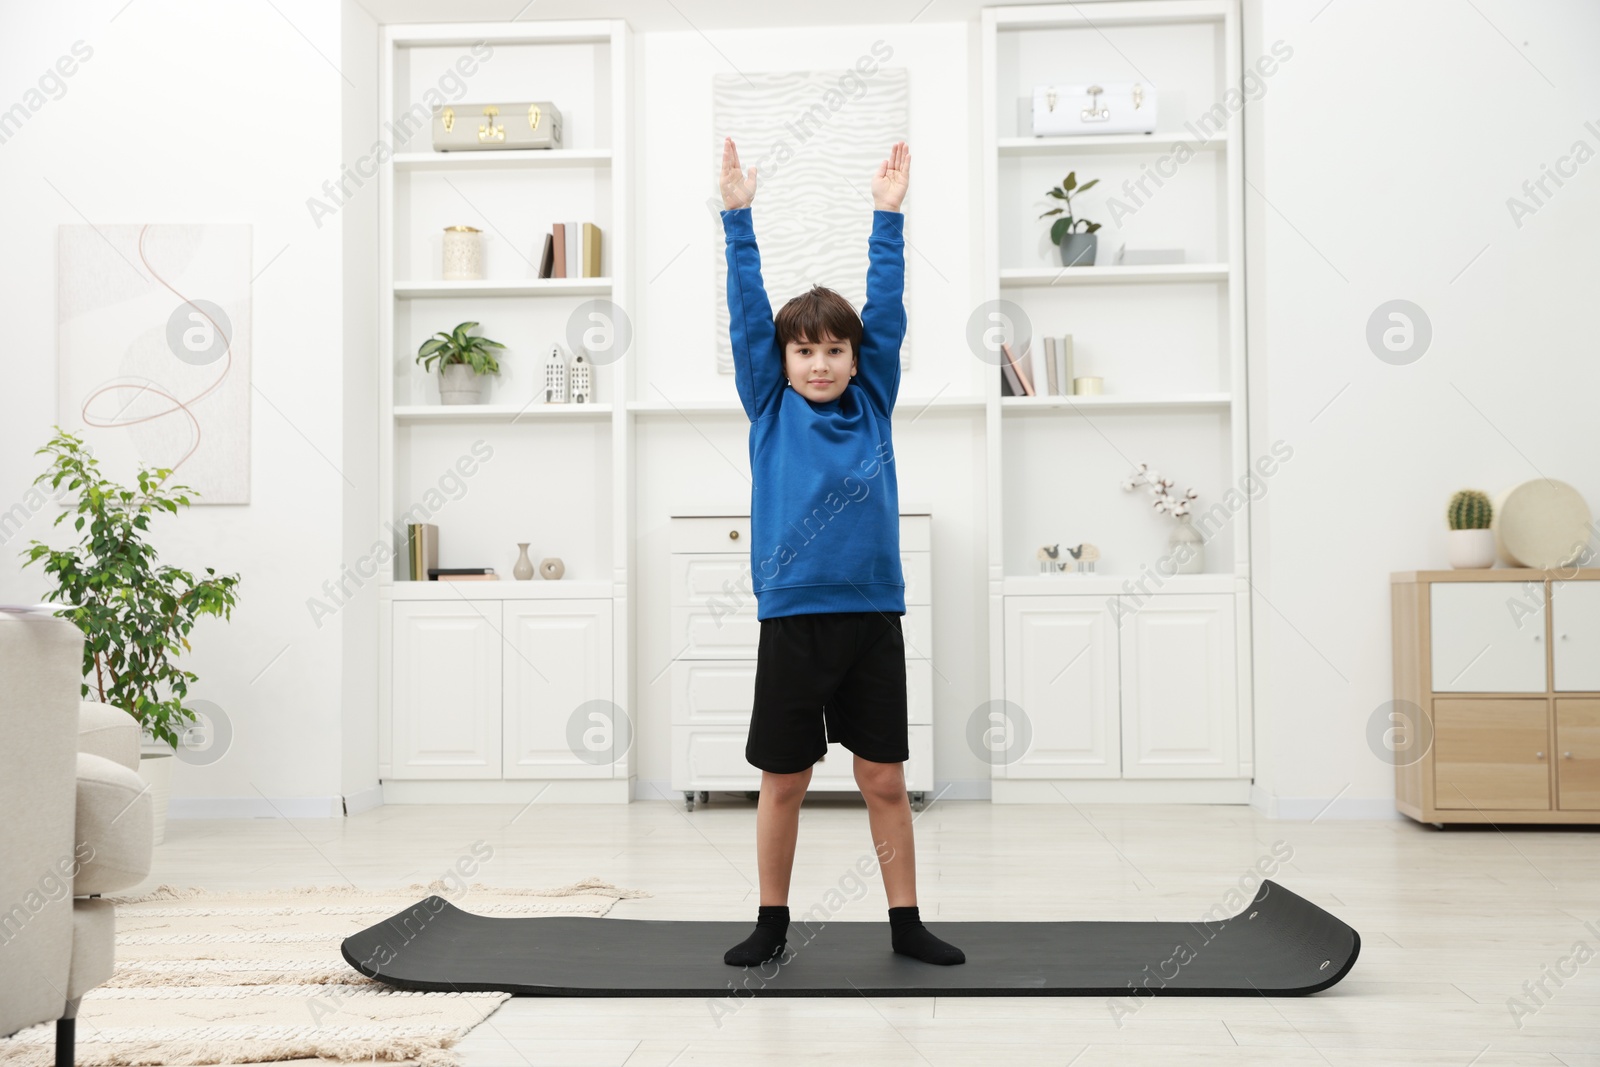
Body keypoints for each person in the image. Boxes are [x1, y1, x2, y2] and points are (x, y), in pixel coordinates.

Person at [717, 136, 964, 969]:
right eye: (804, 350)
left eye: (834, 350)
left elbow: (888, 308)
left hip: (869, 618)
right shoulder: (767, 404)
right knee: (784, 780)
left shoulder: (874, 400)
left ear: (857, 359)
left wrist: (887, 216)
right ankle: (772, 922)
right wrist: (737, 218)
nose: (819, 363)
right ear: (781, 360)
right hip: (793, 618)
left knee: (883, 779)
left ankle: (905, 922)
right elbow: (748, 310)